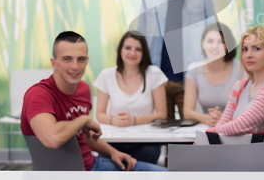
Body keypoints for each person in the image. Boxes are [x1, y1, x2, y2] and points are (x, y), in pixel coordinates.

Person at [20, 31, 166, 171]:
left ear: (87, 61)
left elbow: (82, 135)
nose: (75, 66)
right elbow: (53, 138)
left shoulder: (83, 89)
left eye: (81, 59)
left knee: (166, 174)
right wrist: (83, 120)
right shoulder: (38, 94)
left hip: (92, 165)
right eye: (67, 59)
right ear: (54, 62)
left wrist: (113, 152)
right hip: (65, 173)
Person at [137, 0, 215, 119]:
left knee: (194, 128)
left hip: (192, 77)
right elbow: (140, 36)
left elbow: (213, 34)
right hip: (158, 76)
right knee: (159, 130)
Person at [208, 26, 264, 166]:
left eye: (256, 48)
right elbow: (224, 122)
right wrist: (212, 133)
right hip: (241, 162)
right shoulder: (240, 85)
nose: (249, 55)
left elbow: (240, 126)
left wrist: (208, 134)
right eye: (245, 49)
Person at [94, 31, 168, 164]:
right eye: (128, 48)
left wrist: (134, 120)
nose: (132, 53)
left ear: (144, 52)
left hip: (145, 142)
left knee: (148, 154)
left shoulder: (154, 73)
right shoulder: (106, 75)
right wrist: (113, 120)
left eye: (138, 49)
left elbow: (162, 114)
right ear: (120, 50)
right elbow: (99, 114)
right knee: (105, 159)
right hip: (113, 141)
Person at [183, 22, 240, 127]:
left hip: (235, 128)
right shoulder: (194, 70)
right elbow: (187, 112)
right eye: (210, 41)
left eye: (221, 42)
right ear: (203, 44)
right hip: (207, 128)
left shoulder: (241, 69)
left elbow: (249, 108)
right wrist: (210, 119)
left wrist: (222, 118)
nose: (215, 46)